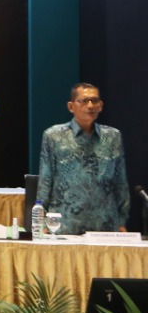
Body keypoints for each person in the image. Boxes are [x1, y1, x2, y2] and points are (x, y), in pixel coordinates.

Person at [36, 82, 129, 234]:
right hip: (64, 223)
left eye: (95, 101)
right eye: (84, 101)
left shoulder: (113, 137)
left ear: (101, 105)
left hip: (105, 223)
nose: (90, 105)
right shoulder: (53, 136)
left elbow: (120, 182)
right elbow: (46, 180)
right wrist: (41, 221)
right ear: (71, 106)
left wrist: (122, 221)